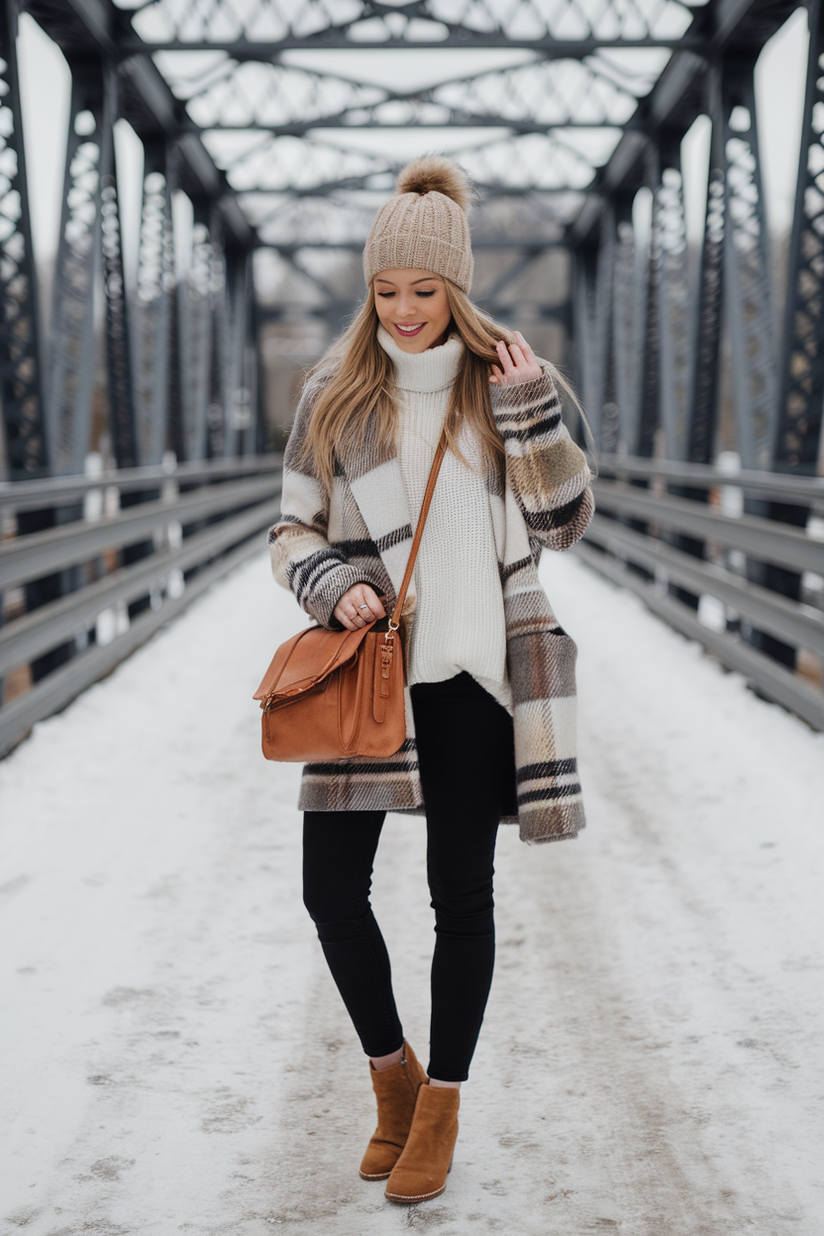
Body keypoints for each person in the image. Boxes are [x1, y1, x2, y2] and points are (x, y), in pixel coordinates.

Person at [268, 156, 593, 1205]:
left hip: (473, 679)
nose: (401, 311)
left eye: (421, 291)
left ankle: (442, 1103)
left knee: (461, 896)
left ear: (452, 287)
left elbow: (562, 526)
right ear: (368, 290)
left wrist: (531, 412)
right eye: (383, 290)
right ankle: (391, 1076)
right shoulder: (332, 393)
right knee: (330, 892)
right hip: (371, 676)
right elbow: (290, 529)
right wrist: (330, 583)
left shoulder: (502, 379)